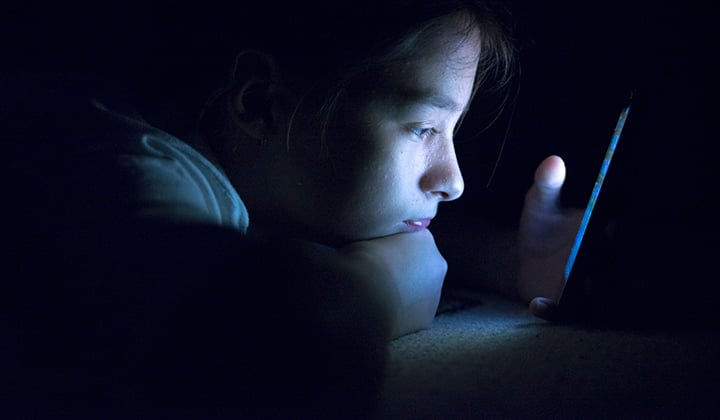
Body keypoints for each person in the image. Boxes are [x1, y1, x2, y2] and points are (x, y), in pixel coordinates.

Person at [3, 0, 583, 417]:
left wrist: (510, 262)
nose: (453, 180)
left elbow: (304, 232)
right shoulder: (132, 169)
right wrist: (373, 291)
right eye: (422, 128)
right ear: (260, 103)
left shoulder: (246, 169)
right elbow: (274, 342)